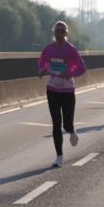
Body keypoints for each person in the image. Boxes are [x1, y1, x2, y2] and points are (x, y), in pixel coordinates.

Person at [38, 20, 87, 167]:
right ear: (54, 33)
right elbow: (41, 63)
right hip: (52, 89)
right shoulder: (48, 49)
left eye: (62, 31)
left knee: (66, 123)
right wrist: (42, 70)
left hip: (67, 90)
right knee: (56, 124)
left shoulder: (71, 50)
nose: (59, 33)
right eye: (57, 31)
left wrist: (70, 73)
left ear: (66, 33)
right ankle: (59, 157)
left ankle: (71, 130)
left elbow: (82, 68)